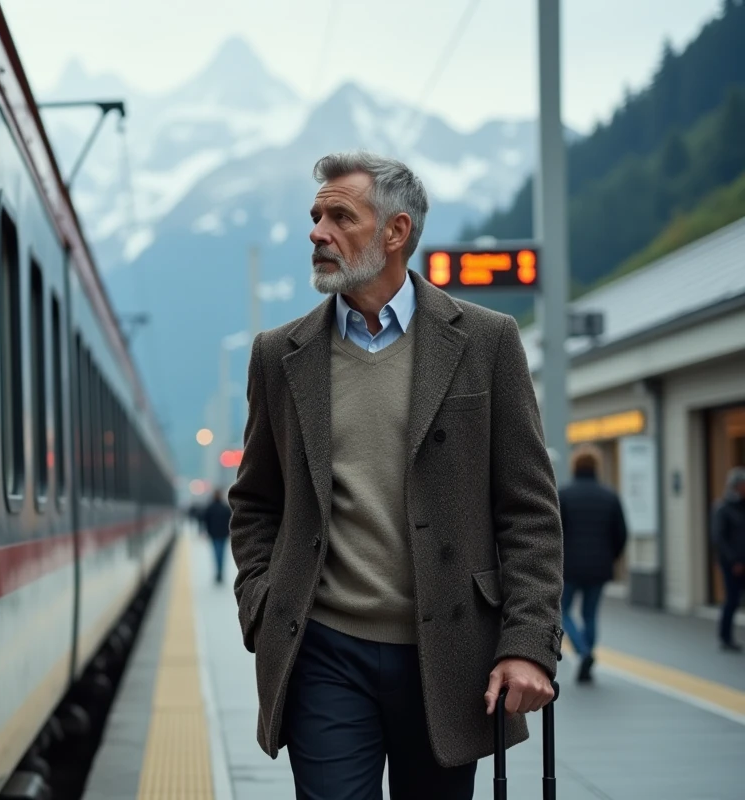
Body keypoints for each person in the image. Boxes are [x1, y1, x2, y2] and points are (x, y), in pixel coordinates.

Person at [228, 150, 563, 800]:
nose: (317, 233)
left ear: (395, 232)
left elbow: (529, 511)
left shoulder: (487, 342)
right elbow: (254, 503)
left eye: (339, 216)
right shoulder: (279, 355)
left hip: (450, 654)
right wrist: (261, 606)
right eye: (315, 216)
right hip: (323, 648)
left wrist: (528, 642)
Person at [558, 446, 627, 682]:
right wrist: (611, 557)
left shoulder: (564, 494)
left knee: (561, 611)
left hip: (570, 567)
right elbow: (621, 533)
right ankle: (588, 652)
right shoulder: (609, 495)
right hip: (600, 567)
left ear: (574, 467)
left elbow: (555, 532)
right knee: (590, 613)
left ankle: (582, 651)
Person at [711, 466, 745, 652]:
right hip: (732, 564)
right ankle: (725, 637)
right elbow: (719, 538)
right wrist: (734, 561)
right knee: (731, 600)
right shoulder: (723, 507)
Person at [200, 489, 232, 585]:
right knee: (222, 554)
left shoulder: (210, 507)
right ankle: (220, 573)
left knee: (216, 554)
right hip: (223, 534)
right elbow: (230, 521)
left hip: (213, 534)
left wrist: (205, 531)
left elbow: (205, 520)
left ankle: (218, 573)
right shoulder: (225, 507)